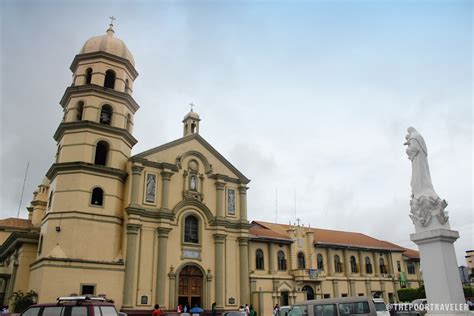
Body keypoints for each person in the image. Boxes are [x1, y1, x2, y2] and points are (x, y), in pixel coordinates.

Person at [404, 127, 437, 198]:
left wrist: (407, 150)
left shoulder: (413, 137)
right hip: (422, 160)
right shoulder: (418, 137)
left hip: (417, 160)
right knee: (424, 175)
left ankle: (420, 191)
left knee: (418, 176)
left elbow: (415, 150)